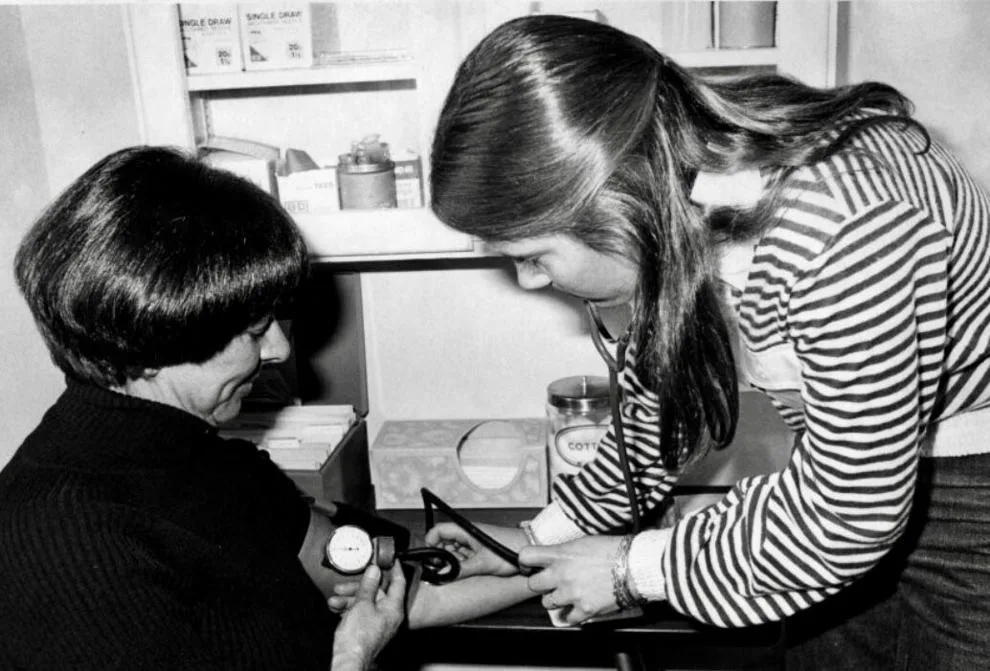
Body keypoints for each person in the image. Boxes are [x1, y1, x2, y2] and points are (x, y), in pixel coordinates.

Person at [423, 14, 990, 670]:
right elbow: (658, 416)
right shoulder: (677, 195)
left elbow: (850, 513)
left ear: (616, 198)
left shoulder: (841, 224)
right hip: (853, 479)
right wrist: (536, 539)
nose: (529, 280)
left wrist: (631, 570)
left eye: (532, 254)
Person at [0, 145, 406, 670]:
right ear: (149, 344)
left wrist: (529, 560)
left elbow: (362, 578)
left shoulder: (204, 455)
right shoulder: (64, 541)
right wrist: (353, 658)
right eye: (255, 331)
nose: (279, 350)